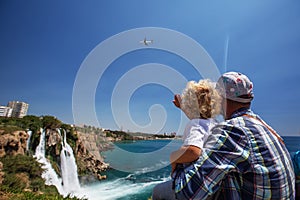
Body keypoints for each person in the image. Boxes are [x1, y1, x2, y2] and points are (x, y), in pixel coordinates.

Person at [152, 72, 295, 200]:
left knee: (158, 192)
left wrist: (174, 160)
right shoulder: (264, 126)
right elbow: (203, 121)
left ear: (220, 98)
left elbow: (187, 193)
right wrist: (186, 108)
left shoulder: (232, 130)